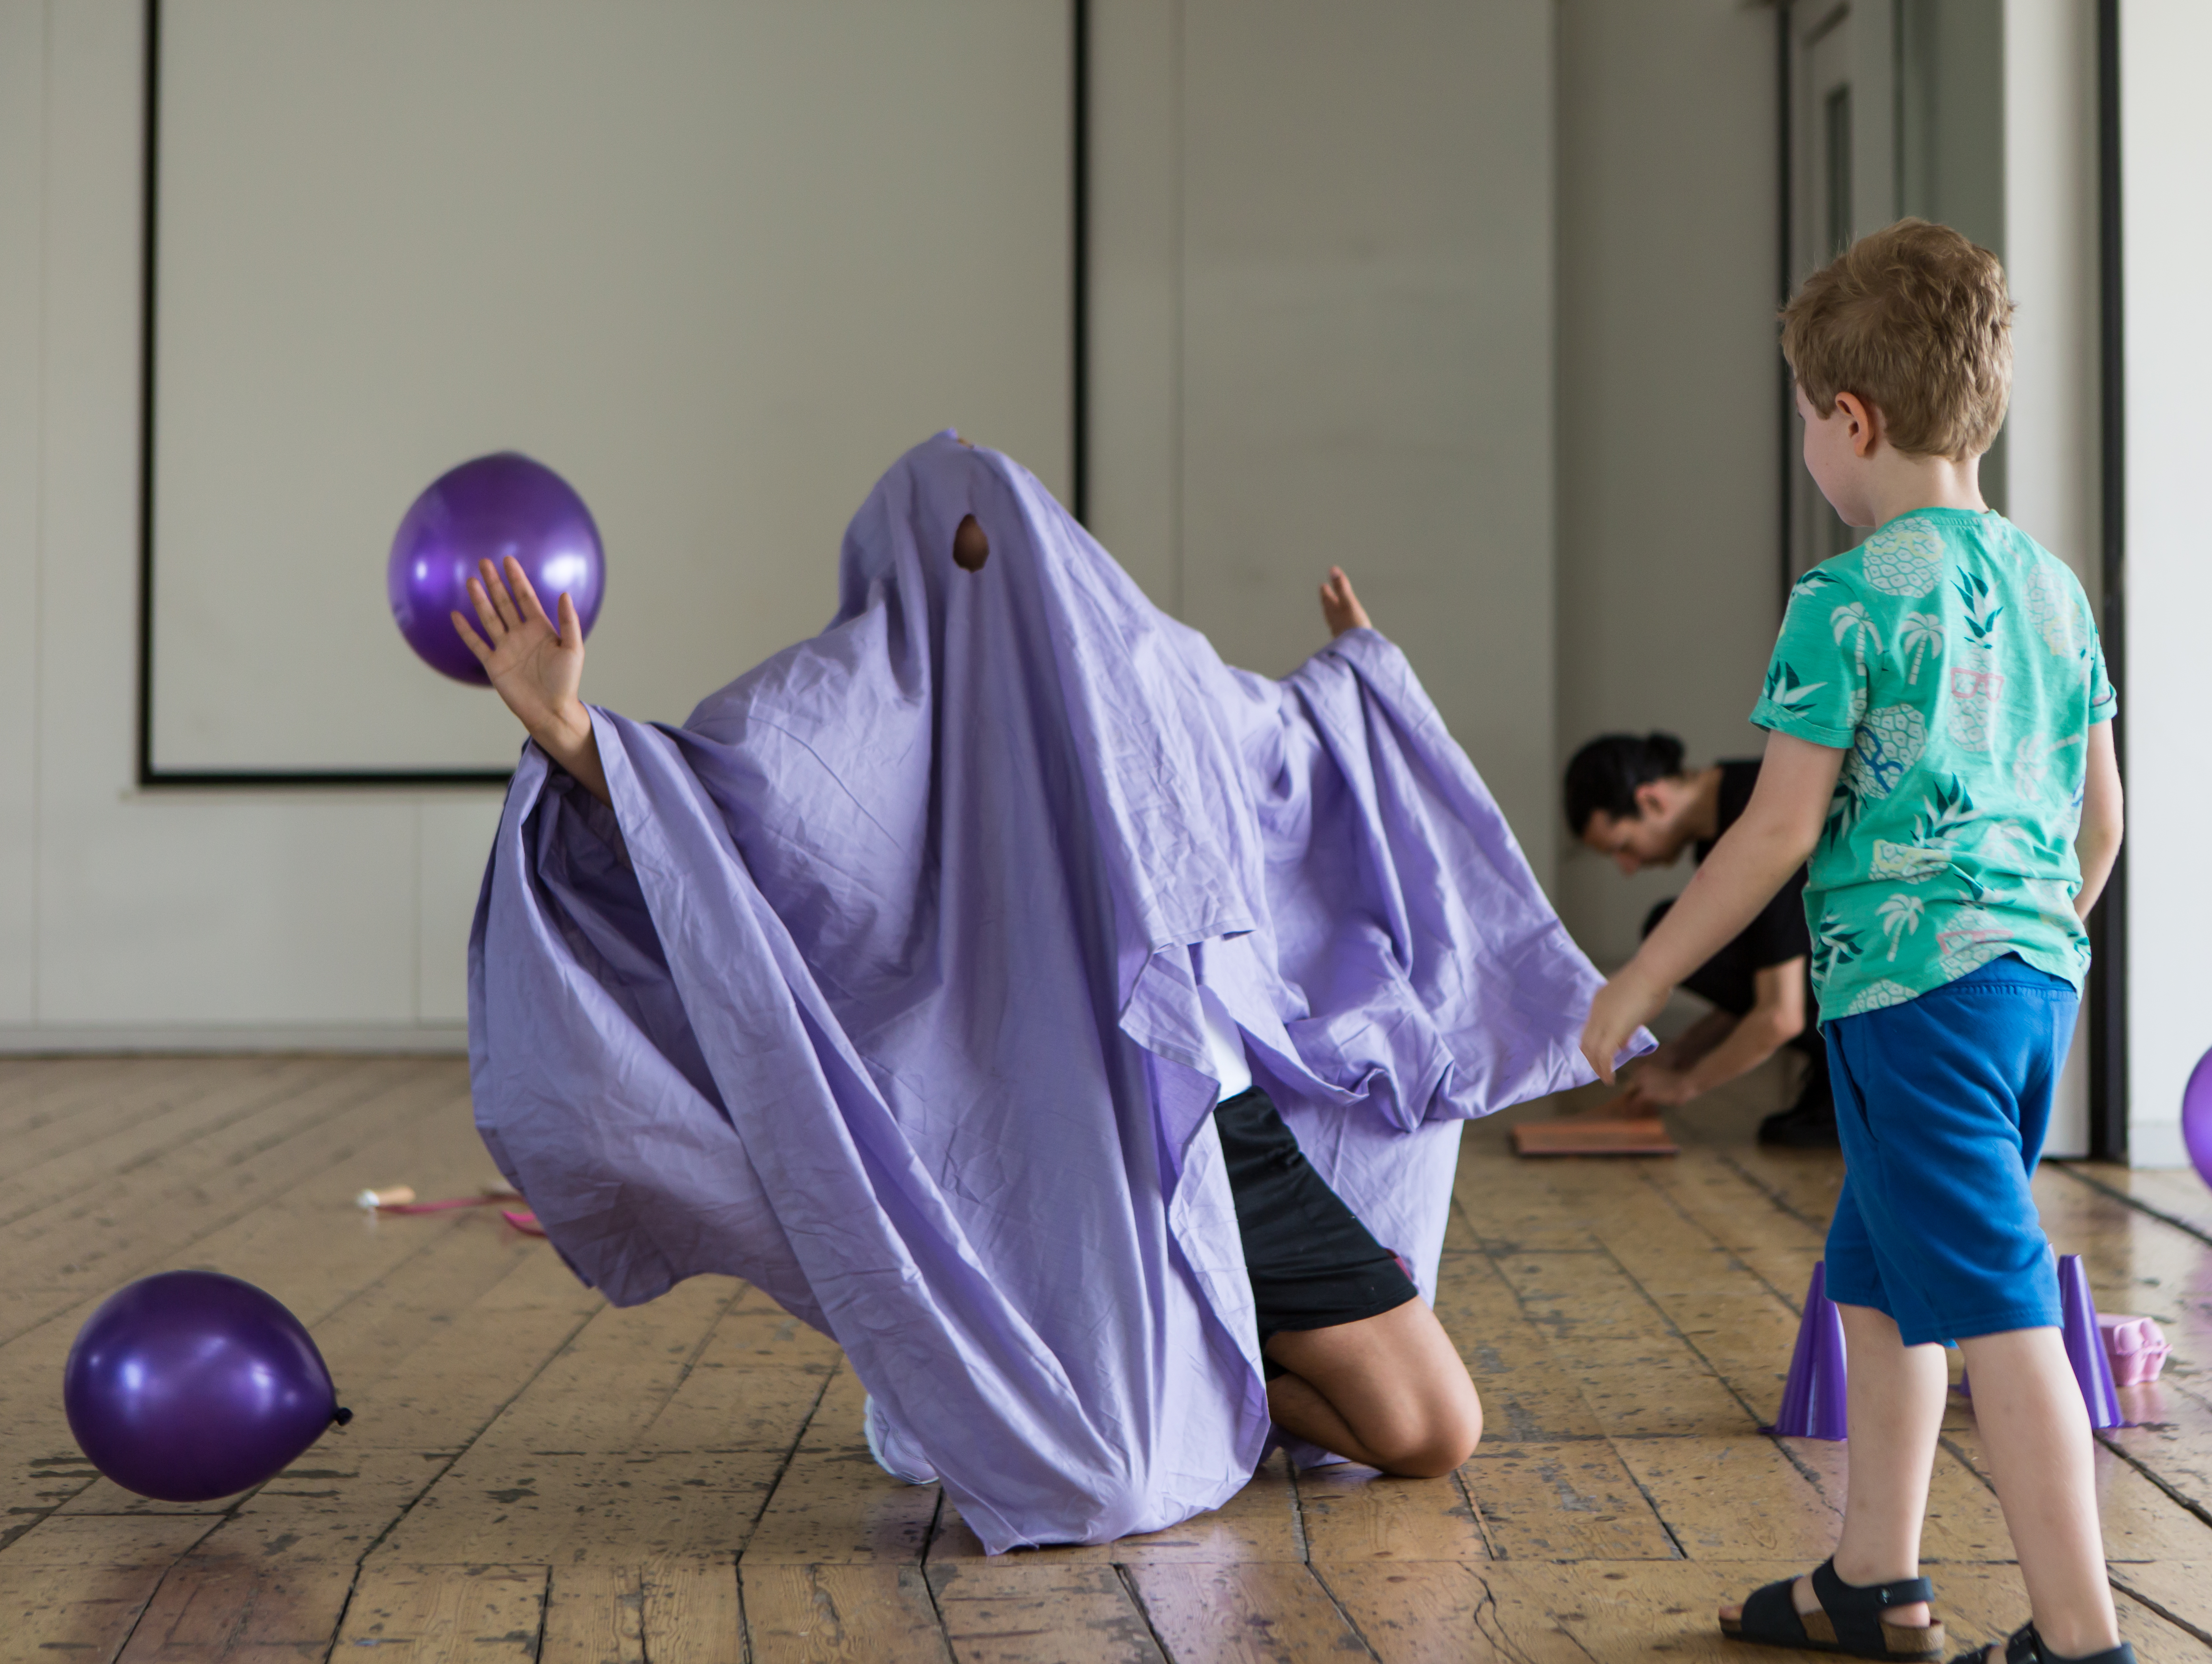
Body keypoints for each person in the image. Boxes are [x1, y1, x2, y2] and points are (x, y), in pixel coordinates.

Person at [445, 433, 1604, 1548]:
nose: (983, 572)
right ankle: (1190, 1393)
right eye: (953, 546)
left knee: (1433, 1431)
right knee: (1102, 1472)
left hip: (1218, 1120)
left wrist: (1359, 679)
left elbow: (1284, 753)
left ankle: (1221, 1378)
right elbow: (731, 810)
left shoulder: (1134, 666)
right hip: (1047, 1156)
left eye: (1002, 544)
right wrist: (568, 727)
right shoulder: (861, 701)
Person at [1580, 220, 2129, 1664]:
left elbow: (1769, 833)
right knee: (1878, 1273)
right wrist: (2023, 943)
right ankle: (1869, 1579)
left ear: (1850, 419)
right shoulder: (2050, 592)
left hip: (1914, 993)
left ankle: (2080, 1638)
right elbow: (2099, 824)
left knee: (1998, 1298)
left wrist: (1634, 975)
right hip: (2025, 983)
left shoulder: (1843, 599)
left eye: (1803, 429)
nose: (1807, 459)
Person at [1564, 733, 1837, 1145]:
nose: (1627, 866)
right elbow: (1770, 970)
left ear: (1651, 801)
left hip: (1886, 991)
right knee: (1679, 929)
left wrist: (1685, 1085)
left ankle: (1842, 1077)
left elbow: (1781, 1013)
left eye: (1623, 846)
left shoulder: (1758, 814)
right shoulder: (1733, 808)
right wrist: (1683, 1052)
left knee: (1669, 929)